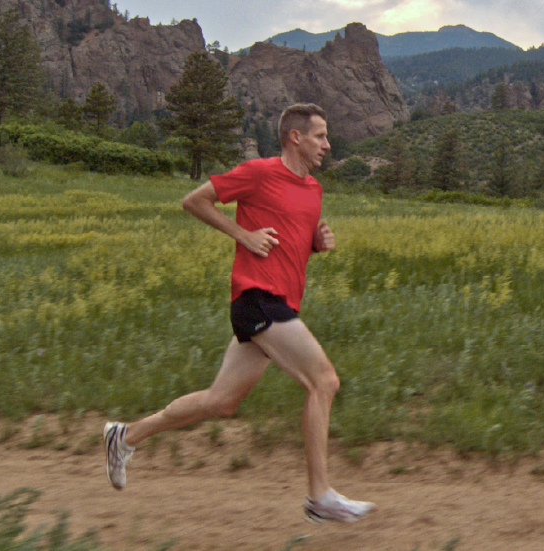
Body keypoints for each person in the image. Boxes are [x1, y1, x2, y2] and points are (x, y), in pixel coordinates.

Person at [103, 103, 373, 524]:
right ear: (294, 137)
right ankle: (319, 496)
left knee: (221, 401)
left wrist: (316, 245)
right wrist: (242, 235)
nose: (327, 143)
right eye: (320, 135)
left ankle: (125, 436)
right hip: (256, 297)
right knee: (324, 381)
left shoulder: (313, 189)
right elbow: (194, 201)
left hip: (280, 301)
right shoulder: (260, 172)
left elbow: (290, 245)